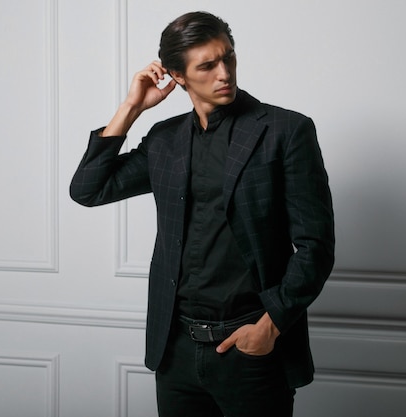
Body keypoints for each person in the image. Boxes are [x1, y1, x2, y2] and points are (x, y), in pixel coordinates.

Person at [70, 11, 334, 417]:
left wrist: (271, 325)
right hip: (175, 349)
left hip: (251, 351)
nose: (224, 73)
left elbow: (315, 245)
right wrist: (131, 107)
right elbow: (89, 189)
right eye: (207, 65)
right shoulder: (166, 139)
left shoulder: (285, 131)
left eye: (228, 58)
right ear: (177, 75)